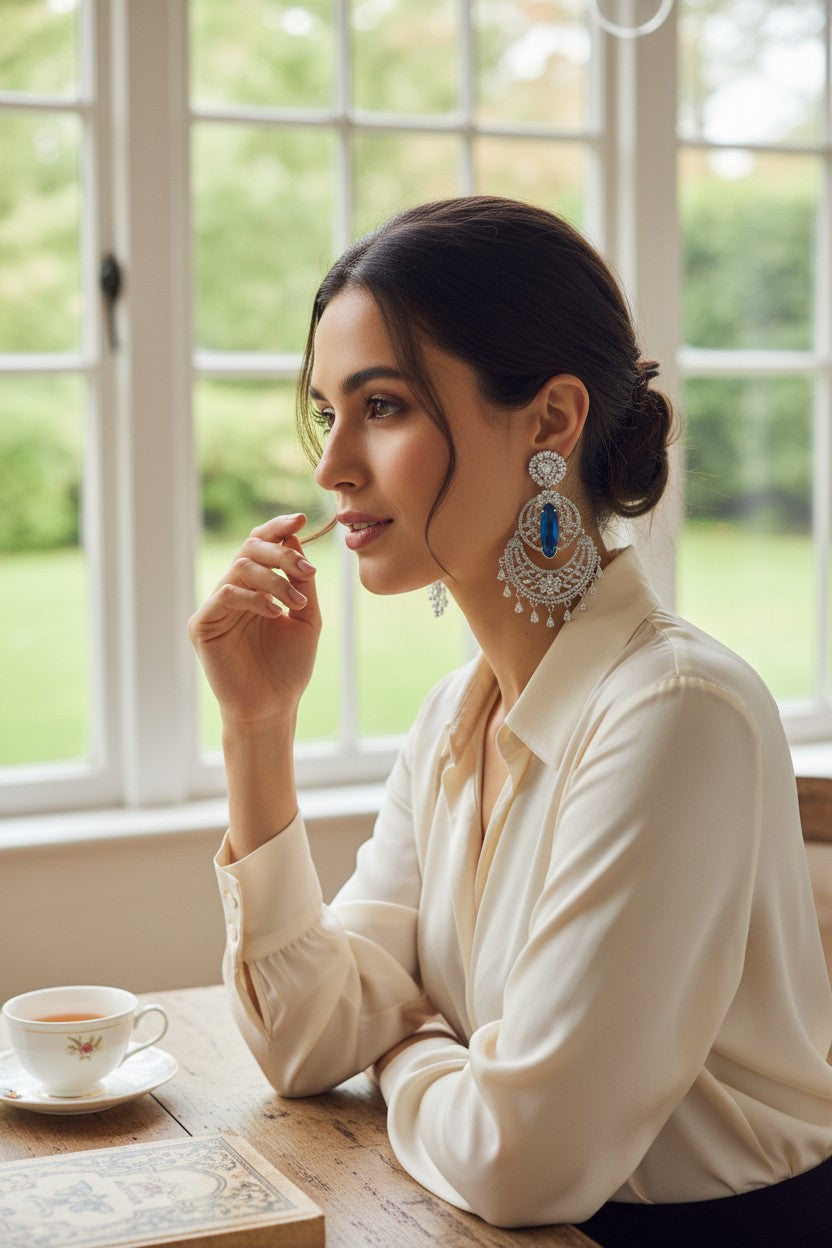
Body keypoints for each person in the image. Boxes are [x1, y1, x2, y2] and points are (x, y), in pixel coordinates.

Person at [189, 197, 832, 1247]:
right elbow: (306, 1040)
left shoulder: (676, 716)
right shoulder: (458, 712)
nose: (331, 466)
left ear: (550, 420)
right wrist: (257, 730)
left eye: (383, 406)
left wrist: (404, 1045)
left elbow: (521, 1163)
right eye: (327, 411)